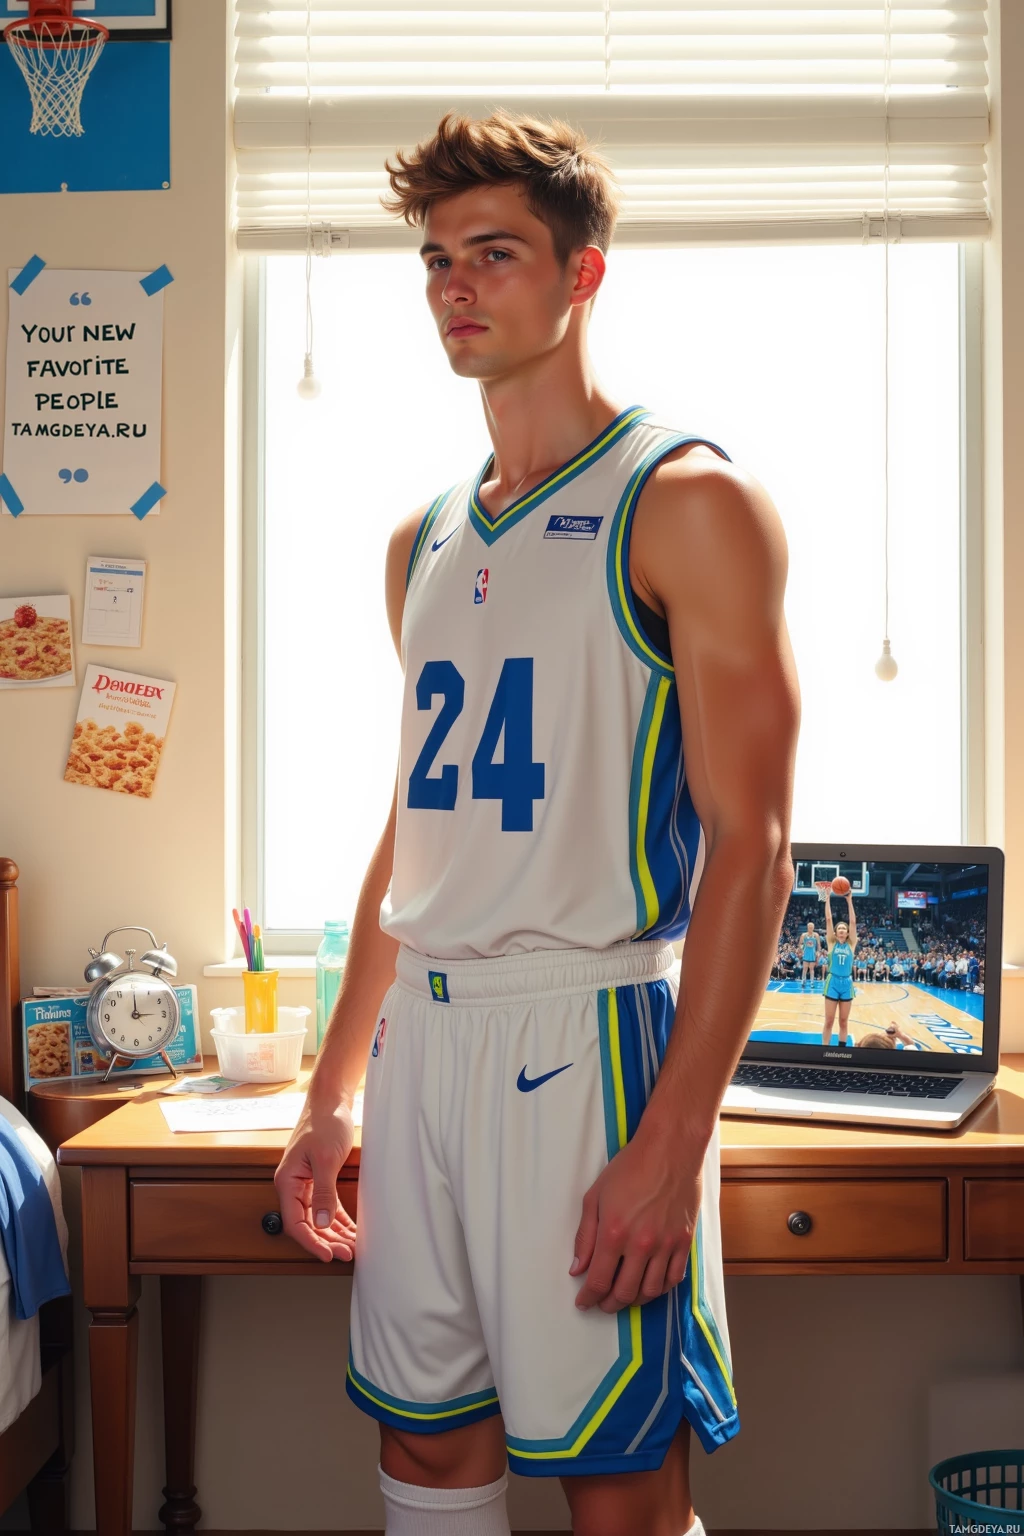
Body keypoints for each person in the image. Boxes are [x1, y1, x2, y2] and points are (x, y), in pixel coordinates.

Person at [273, 110, 800, 1536]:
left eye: (494, 254)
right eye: (438, 260)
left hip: (590, 1042)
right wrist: (330, 1094)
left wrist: (675, 1139)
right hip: (426, 1048)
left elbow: (753, 845)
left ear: (583, 275)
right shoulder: (423, 539)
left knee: (617, 1483)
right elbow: (413, 831)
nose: (456, 285)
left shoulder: (686, 501)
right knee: (432, 1455)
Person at [821, 886, 858, 1047]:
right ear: (836, 933)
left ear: (848, 933)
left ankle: (841, 1051)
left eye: (844, 928)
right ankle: (824, 1050)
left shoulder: (851, 944)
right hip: (832, 982)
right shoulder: (831, 943)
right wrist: (827, 897)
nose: (842, 929)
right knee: (829, 1020)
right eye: (839, 928)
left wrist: (849, 901)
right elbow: (829, 920)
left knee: (843, 1021)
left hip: (847, 983)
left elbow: (853, 922)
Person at [799, 921, 821, 990]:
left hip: (812, 954)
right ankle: (803, 981)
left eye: (812, 927)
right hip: (806, 953)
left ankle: (812, 982)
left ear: (813, 927)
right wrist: (802, 950)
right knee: (805, 969)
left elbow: (819, 945)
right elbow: (800, 944)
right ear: (807, 927)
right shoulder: (804, 935)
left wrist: (818, 952)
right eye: (809, 927)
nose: (811, 928)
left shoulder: (816, 935)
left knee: (812, 969)